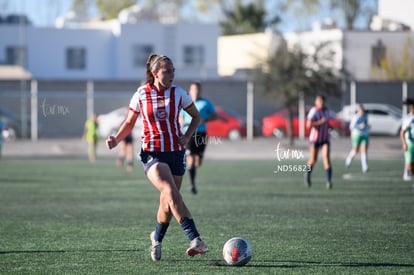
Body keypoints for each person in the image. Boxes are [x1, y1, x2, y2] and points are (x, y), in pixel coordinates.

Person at [106, 54, 208, 262]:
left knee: (167, 202)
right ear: (154, 73)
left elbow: (196, 117)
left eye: (173, 71)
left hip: (176, 153)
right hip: (152, 153)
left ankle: (157, 238)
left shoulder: (178, 93)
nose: (171, 74)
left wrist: (187, 136)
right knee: (170, 191)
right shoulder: (141, 94)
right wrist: (117, 139)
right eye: (166, 71)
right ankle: (196, 239)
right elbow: (129, 122)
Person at [181, 82, 218, 194]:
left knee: (198, 162)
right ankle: (192, 185)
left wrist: (205, 120)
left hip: (201, 134)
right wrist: (182, 122)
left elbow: (215, 116)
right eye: (194, 89)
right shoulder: (186, 102)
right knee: (190, 159)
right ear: (190, 90)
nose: (196, 92)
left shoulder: (206, 103)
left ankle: (192, 168)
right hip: (189, 134)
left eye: (198, 90)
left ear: (200, 91)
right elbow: (180, 115)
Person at [305, 94, 333, 189]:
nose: (321, 103)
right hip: (314, 139)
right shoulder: (314, 111)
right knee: (313, 160)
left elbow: (327, 123)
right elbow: (308, 125)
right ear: (316, 102)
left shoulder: (327, 111)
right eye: (319, 101)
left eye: (322, 101)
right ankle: (307, 175)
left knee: (326, 159)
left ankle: (329, 181)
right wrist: (320, 122)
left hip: (325, 139)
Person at [345, 104, 369, 173]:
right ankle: (348, 160)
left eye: (362, 110)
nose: (362, 112)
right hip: (356, 135)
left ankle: (365, 167)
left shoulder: (365, 116)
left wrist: (366, 126)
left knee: (364, 150)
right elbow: (351, 127)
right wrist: (359, 126)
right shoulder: (356, 117)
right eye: (360, 110)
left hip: (364, 134)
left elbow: (366, 124)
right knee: (356, 150)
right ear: (358, 111)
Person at [400, 98, 414, 185]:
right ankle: (406, 173)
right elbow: (402, 132)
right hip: (410, 143)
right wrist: (404, 143)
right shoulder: (408, 119)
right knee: (410, 166)